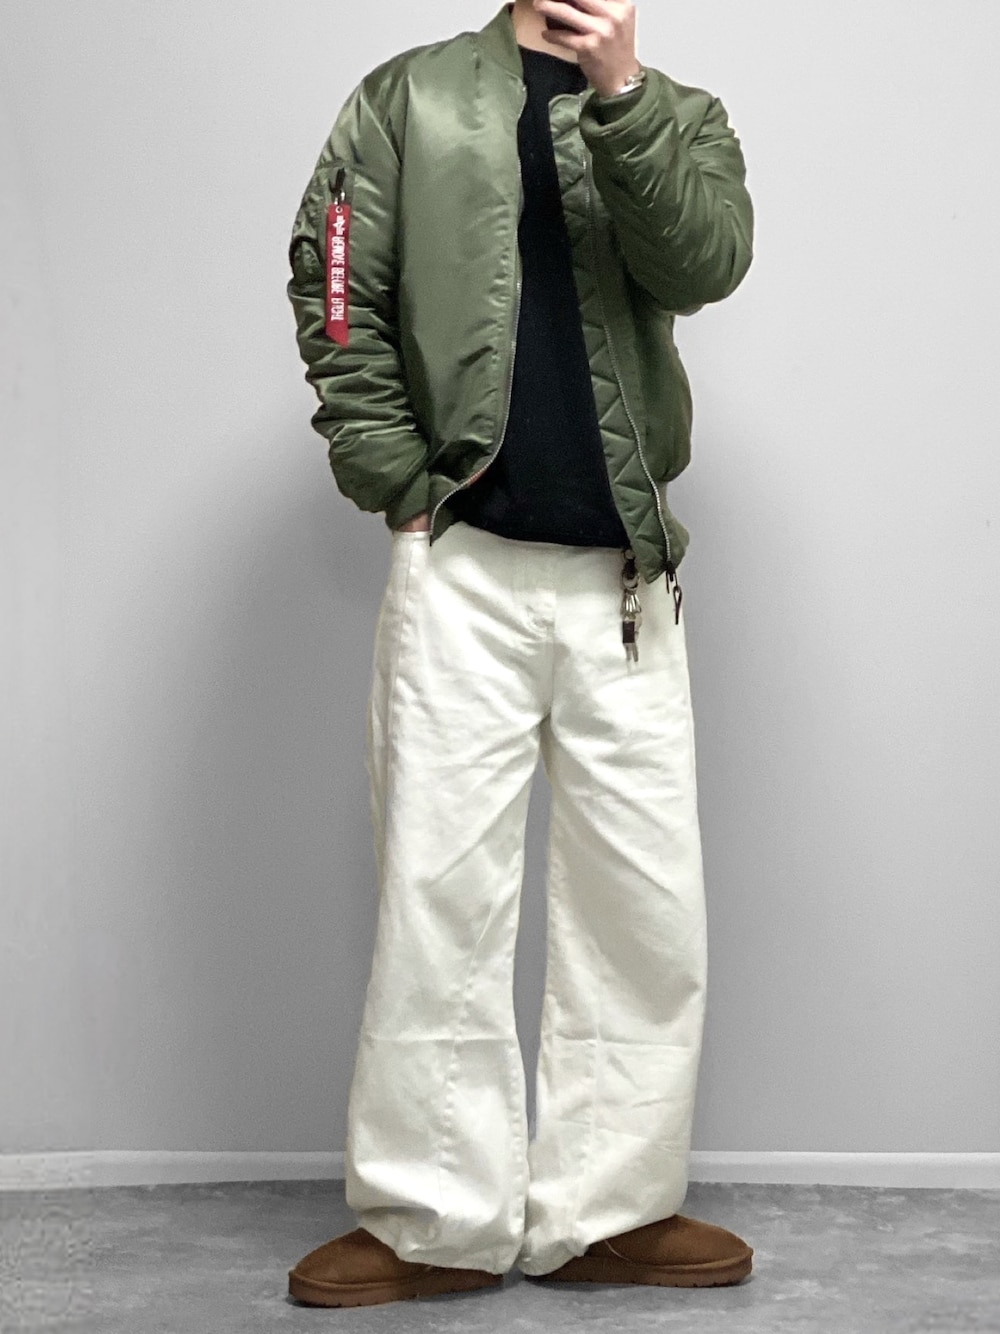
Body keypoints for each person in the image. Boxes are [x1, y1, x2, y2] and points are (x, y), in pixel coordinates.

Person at [284, 0, 755, 1309]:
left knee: (644, 908)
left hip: (624, 580)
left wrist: (623, 100)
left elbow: (705, 261)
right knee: (438, 896)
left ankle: (611, 1211)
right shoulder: (409, 99)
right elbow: (336, 285)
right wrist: (395, 477)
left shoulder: (682, 115)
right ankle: (432, 1222)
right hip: (464, 569)